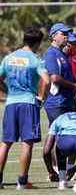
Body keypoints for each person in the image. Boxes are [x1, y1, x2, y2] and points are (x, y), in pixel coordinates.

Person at [0, 27, 49, 189]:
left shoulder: (9, 58)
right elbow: (46, 81)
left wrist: (8, 91)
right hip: (28, 103)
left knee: (5, 143)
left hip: (11, 103)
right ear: (37, 43)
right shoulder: (36, 59)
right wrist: (41, 98)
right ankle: (22, 182)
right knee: (27, 143)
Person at [42, 23, 76, 181]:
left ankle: (61, 172)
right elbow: (54, 78)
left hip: (66, 102)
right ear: (53, 36)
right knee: (58, 140)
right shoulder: (51, 54)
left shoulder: (63, 54)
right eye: (63, 33)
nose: (66, 36)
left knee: (65, 138)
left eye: (67, 33)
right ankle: (57, 172)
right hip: (56, 103)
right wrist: (74, 86)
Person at [44, 111, 76, 192]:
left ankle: (62, 181)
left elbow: (46, 150)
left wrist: (51, 171)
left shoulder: (60, 117)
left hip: (65, 141)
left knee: (59, 146)